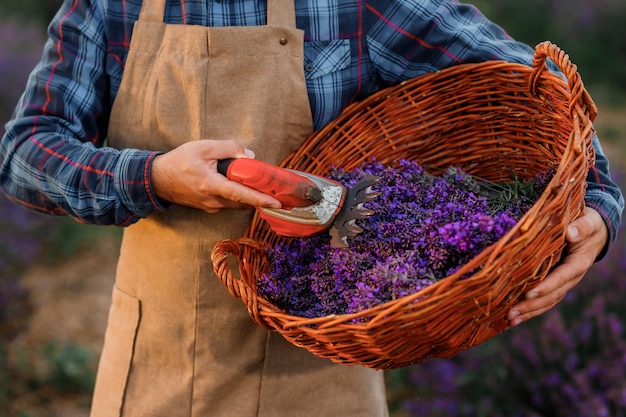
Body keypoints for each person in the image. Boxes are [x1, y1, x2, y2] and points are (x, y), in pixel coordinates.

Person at [1, 0, 622, 416]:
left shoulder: (361, 6)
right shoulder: (111, 7)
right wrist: (154, 175)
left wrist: (596, 207)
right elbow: (26, 149)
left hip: (321, 369)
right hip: (161, 358)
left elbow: (542, 88)